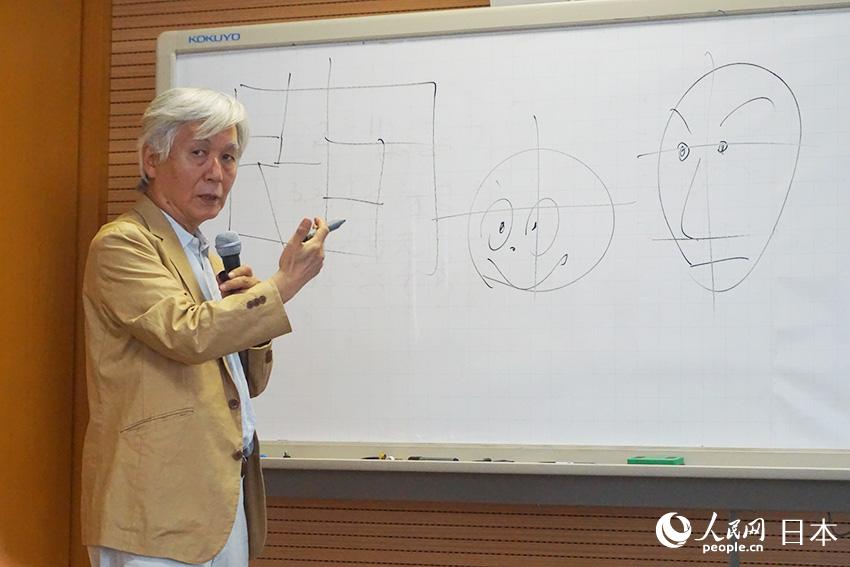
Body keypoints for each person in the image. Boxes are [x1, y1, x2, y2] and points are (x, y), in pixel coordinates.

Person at [80, 87, 329, 566]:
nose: (216, 172)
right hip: (153, 513)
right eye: (199, 153)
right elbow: (186, 334)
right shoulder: (123, 244)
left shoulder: (205, 255)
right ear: (152, 160)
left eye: (228, 157)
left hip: (219, 501)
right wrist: (281, 286)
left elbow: (247, 383)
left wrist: (252, 317)